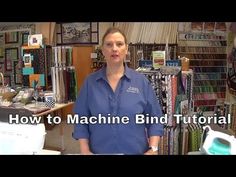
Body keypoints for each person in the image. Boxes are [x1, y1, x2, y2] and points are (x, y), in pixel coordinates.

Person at [72, 27, 164, 155]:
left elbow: (155, 119)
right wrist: (85, 150)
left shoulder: (141, 82)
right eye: (109, 44)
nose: (114, 49)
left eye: (119, 44)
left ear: (126, 49)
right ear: (103, 50)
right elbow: (81, 119)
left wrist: (153, 149)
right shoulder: (90, 83)